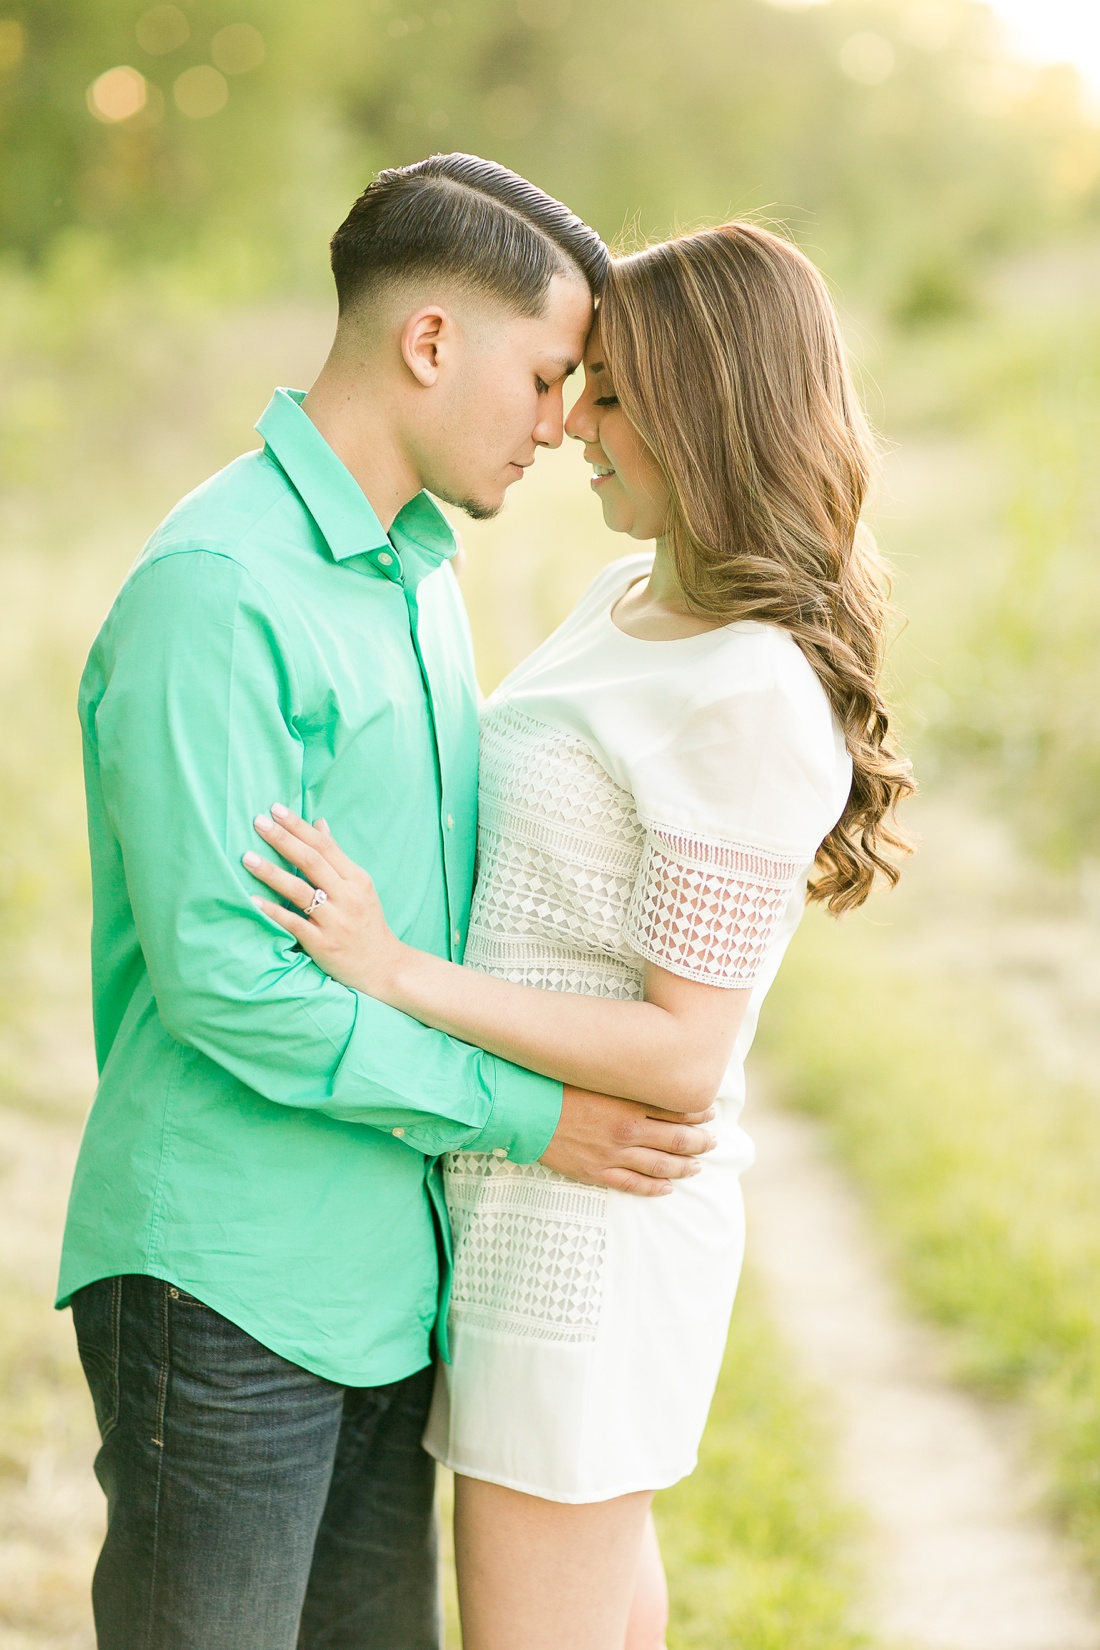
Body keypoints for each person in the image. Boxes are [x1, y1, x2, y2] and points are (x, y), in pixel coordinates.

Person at [57, 154, 719, 1650]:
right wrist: (535, 1115)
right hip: (225, 1283)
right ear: (432, 341)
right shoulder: (221, 588)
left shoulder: (416, 569)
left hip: (388, 1282)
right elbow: (231, 980)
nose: (565, 421)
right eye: (550, 374)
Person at [245, 221, 914, 1650]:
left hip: (590, 1241)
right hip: (518, 1199)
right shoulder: (633, 600)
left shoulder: (743, 688)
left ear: (704, 407)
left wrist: (396, 969)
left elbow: (686, 1051)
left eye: (605, 391)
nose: (570, 425)